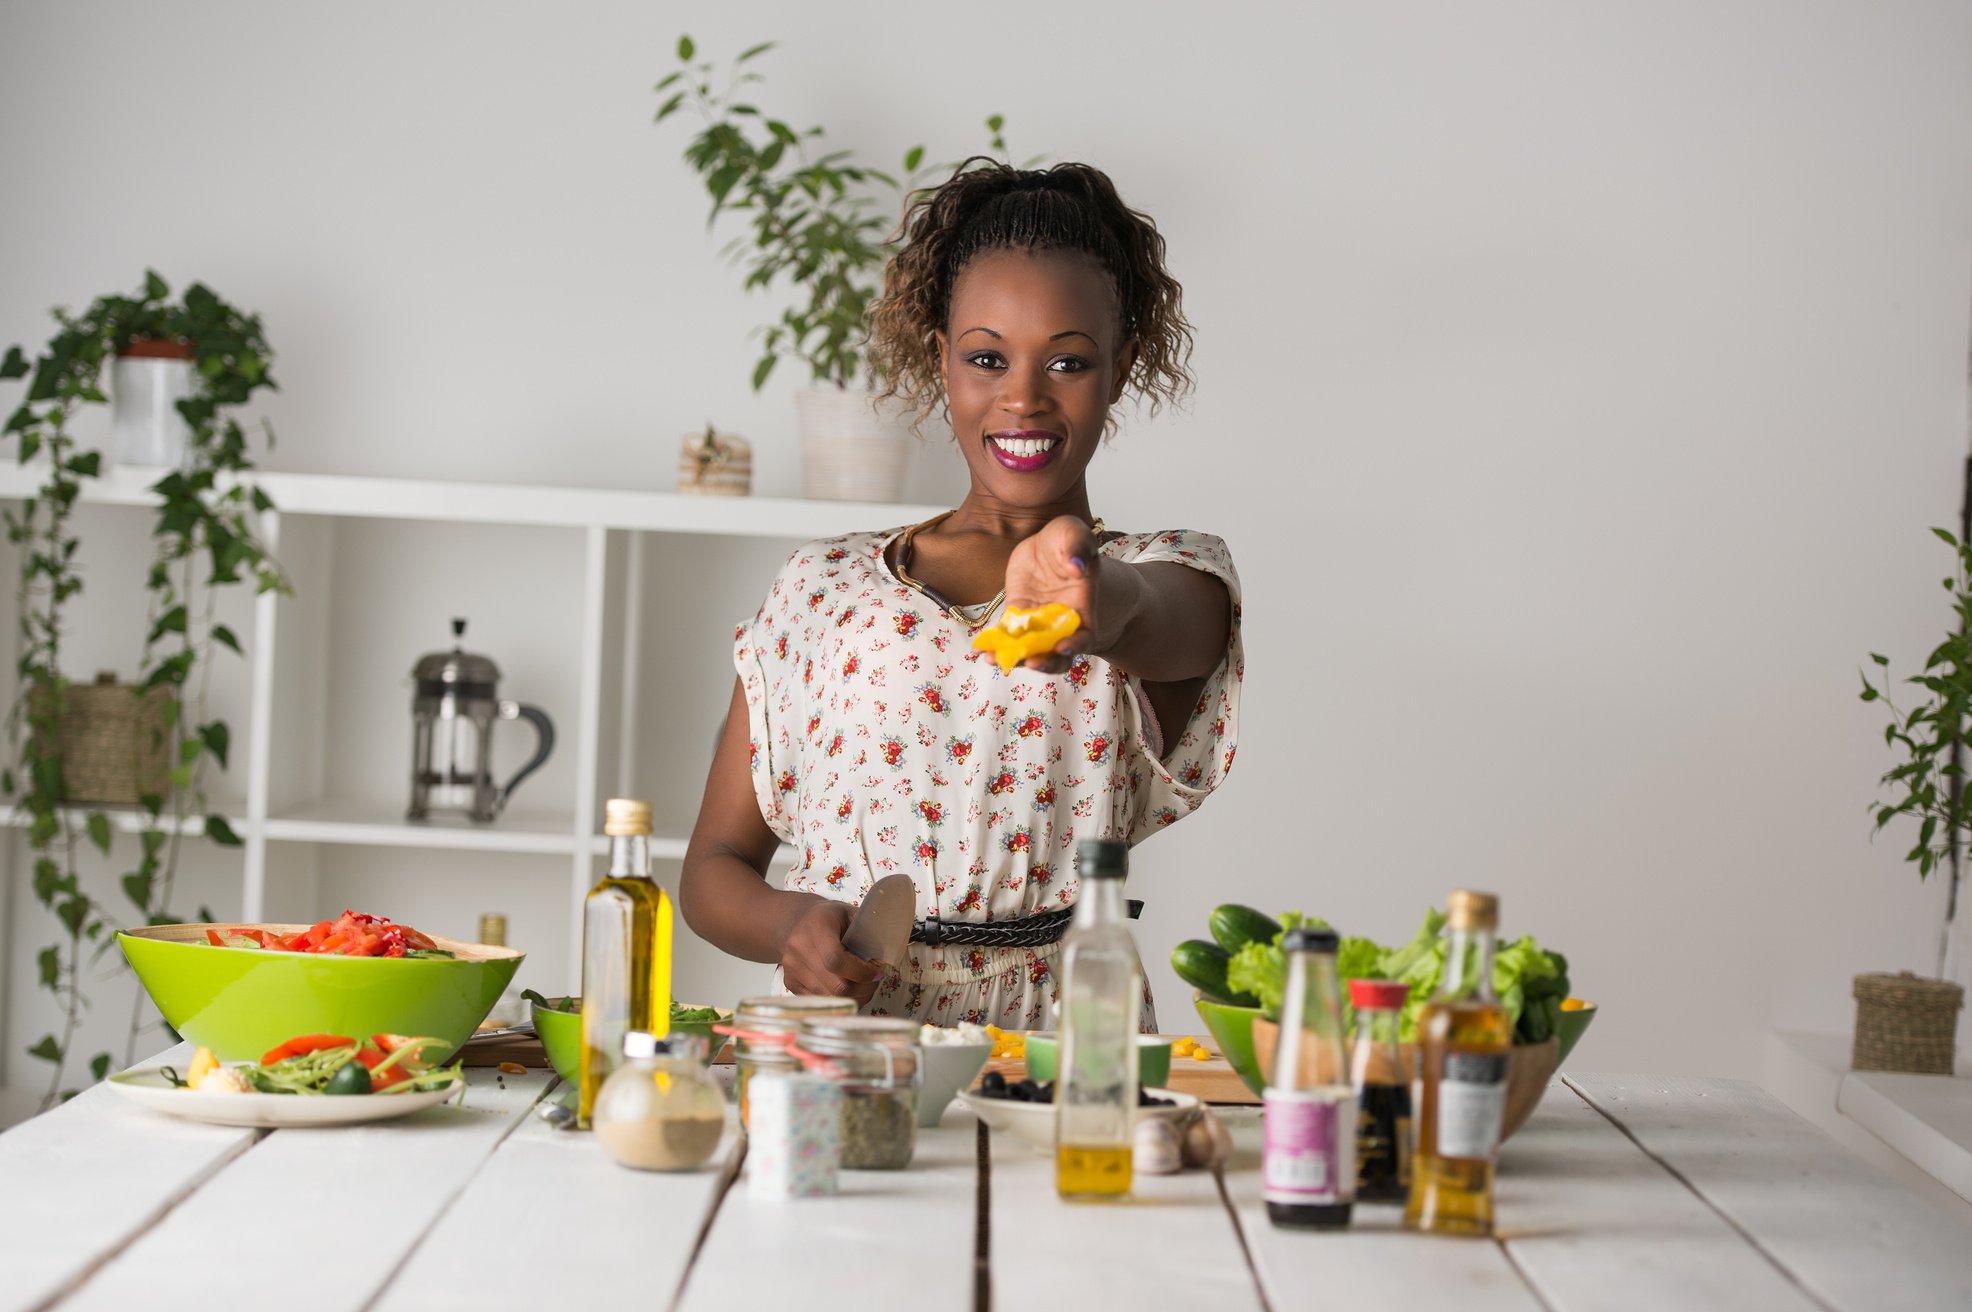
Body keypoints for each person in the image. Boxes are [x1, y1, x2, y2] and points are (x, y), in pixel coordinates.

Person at [678, 159, 1242, 1029]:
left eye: (1068, 362)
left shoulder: (1173, 577)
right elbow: (714, 865)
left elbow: (1151, 618)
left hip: (1069, 1043)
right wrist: (792, 924)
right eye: (987, 357)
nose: (1023, 396)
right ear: (942, 360)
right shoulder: (821, 588)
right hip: (852, 1041)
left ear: (1122, 368)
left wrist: (1085, 588)